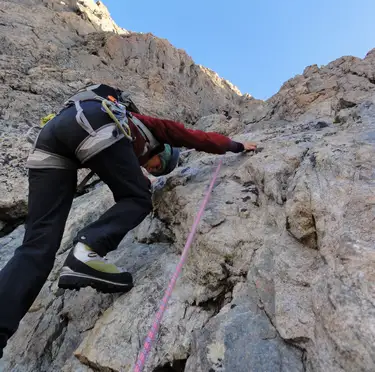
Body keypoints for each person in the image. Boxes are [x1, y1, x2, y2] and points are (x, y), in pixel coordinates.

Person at [0, 84, 257, 357]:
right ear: (162, 150)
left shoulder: (126, 148)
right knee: (138, 197)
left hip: (50, 139)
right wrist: (235, 145)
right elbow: (195, 137)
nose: (150, 168)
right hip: (94, 124)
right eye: (157, 165)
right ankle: (87, 250)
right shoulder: (150, 127)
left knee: (37, 247)